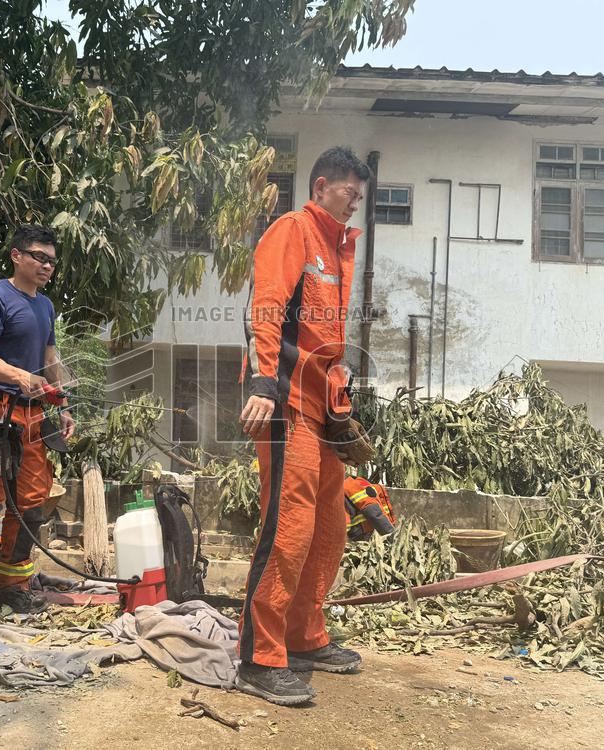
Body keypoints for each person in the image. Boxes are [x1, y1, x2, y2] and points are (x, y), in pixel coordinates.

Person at [237, 147, 371, 705]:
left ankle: (304, 636)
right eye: (349, 193)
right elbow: (266, 307)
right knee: (288, 524)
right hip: (286, 401)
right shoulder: (292, 231)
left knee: (329, 526)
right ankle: (260, 657)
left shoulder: (342, 250)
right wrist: (263, 382)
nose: (355, 202)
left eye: (360, 197)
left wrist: (342, 403)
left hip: (322, 406)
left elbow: (327, 342)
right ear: (321, 187)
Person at [0, 224, 75, 616]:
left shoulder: (45, 305)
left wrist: (64, 405)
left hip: (34, 414)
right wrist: (23, 377)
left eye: (52, 261)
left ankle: (12, 585)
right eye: (38, 257)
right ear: (16, 255)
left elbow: (50, 358)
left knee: (32, 502)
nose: (46, 266)